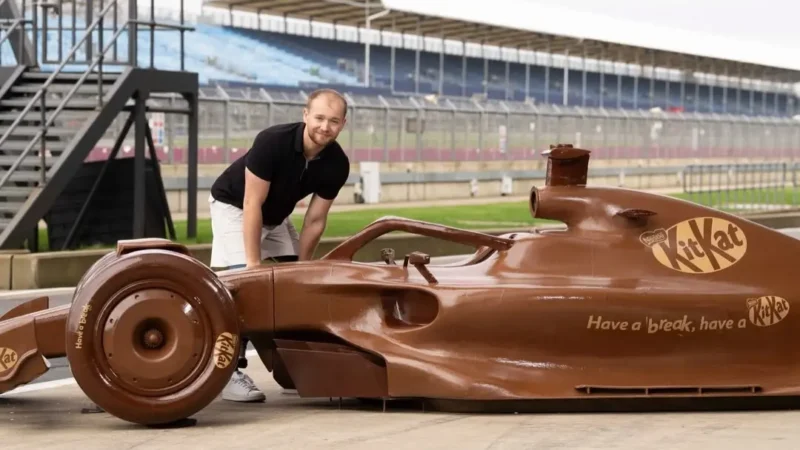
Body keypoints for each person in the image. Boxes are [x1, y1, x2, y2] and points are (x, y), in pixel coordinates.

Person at [207, 88, 351, 402]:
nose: (325, 127)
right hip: (235, 207)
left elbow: (314, 220)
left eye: (334, 121)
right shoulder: (272, 141)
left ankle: (291, 369)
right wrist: (252, 265)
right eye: (319, 118)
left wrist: (301, 267)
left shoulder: (337, 163)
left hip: (276, 217)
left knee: (290, 288)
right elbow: (251, 201)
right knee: (245, 290)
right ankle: (227, 371)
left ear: (343, 124)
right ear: (305, 115)